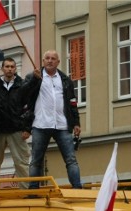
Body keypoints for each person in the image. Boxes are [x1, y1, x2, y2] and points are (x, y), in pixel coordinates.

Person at [22, 50, 82, 189]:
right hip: (40, 124)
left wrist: (76, 122)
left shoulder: (65, 79)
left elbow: (72, 102)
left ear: (58, 62)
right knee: (36, 161)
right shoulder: (34, 76)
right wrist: (33, 80)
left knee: (71, 160)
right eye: (47, 58)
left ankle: (77, 188)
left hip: (62, 124)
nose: (50, 61)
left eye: (53, 58)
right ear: (43, 61)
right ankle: (33, 190)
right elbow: (23, 94)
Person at [0, 57, 30, 189]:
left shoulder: (22, 85)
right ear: (2, 68)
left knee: (21, 162)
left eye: (12, 67)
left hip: (16, 128)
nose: (9, 69)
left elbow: (28, 107)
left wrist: (27, 128)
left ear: (15, 69)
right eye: (7, 66)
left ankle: (26, 191)